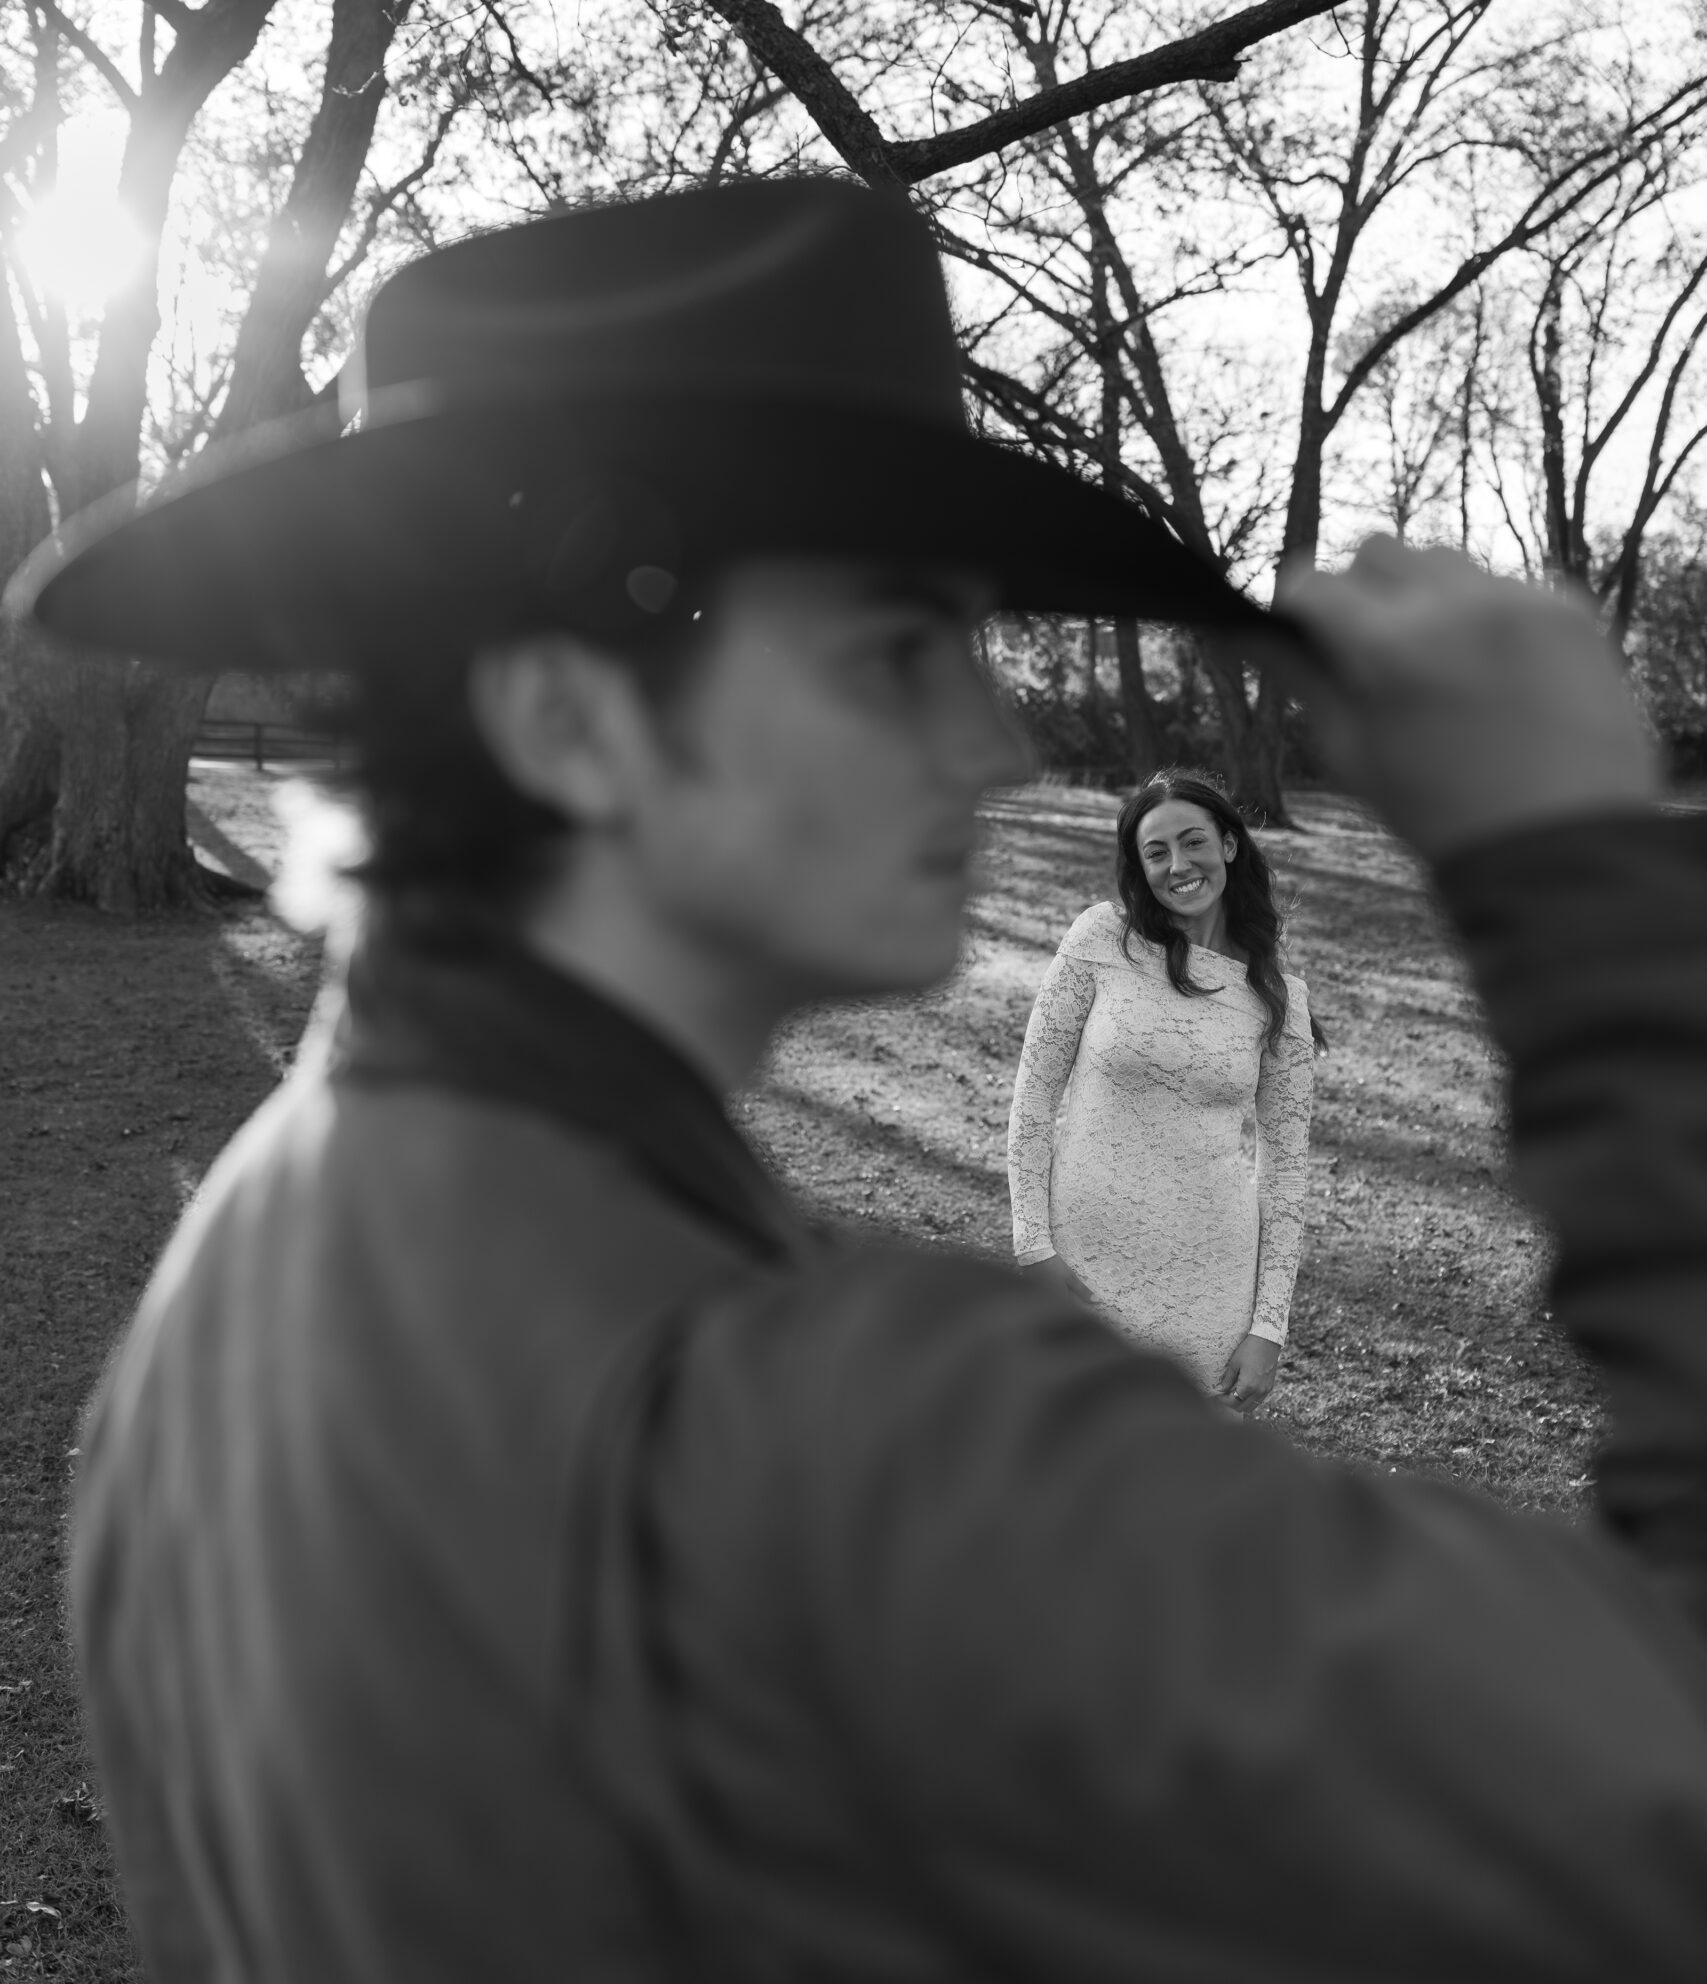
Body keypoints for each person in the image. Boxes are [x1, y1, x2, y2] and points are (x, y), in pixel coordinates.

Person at [15, 176, 1707, 1980]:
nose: (985, 745)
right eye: (899, 650)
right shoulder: (834, 1421)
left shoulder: (220, 1289)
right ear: (569, 718)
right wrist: (1569, 875)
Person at [1007, 770, 1315, 1408]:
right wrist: (1031, 1245)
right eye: (1156, 851)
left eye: (1194, 841)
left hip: (1211, 1282)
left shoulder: (1281, 998)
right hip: (1082, 1265)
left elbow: (1285, 1172)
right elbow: (1034, 1098)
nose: (1179, 865)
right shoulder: (1099, 939)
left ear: (1229, 845)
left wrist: (1268, 1327)